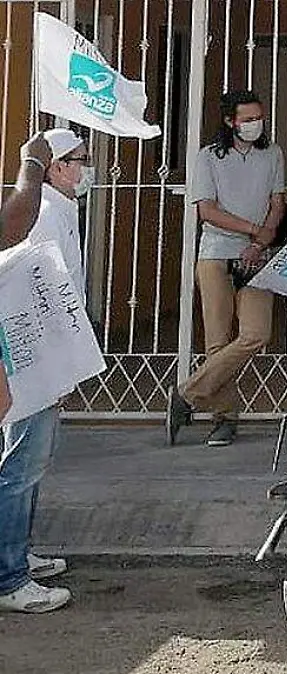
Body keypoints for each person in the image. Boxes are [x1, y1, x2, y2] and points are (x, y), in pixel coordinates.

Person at [167, 90, 286, 448]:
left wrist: (260, 243)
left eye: (258, 117)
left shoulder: (273, 153)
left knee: (256, 333)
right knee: (217, 341)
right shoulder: (208, 157)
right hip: (217, 253)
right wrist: (254, 231)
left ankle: (186, 395)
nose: (255, 124)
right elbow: (207, 210)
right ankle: (224, 419)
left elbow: (277, 202)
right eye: (247, 119)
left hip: (257, 256)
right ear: (230, 121)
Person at [0, 130, 87, 614]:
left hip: (37, 356)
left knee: (27, 463)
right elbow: (40, 290)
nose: (85, 168)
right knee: (21, 464)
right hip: (33, 357)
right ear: (53, 167)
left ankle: (17, 556)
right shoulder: (41, 213)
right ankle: (9, 578)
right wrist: (57, 364)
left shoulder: (55, 209)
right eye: (77, 160)